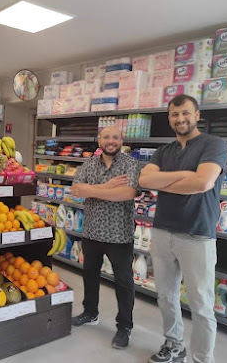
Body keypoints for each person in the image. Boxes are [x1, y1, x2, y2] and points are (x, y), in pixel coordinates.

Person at [139, 94, 227, 363]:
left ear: (197, 115)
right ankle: (174, 344)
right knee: (165, 296)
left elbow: (202, 184)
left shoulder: (214, 145)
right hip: (163, 231)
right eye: (175, 115)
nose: (181, 119)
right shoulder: (164, 151)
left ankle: (202, 358)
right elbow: (144, 179)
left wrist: (164, 182)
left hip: (197, 234)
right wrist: (184, 176)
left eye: (186, 113)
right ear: (169, 119)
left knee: (200, 305)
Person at [70, 126, 140, 349]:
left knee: (124, 282)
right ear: (99, 139)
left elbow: (127, 193)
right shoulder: (89, 164)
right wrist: (106, 187)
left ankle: (124, 326)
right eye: (106, 137)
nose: (111, 141)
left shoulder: (130, 164)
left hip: (120, 234)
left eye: (115, 137)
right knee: (90, 275)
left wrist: (94, 189)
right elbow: (76, 191)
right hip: (92, 232)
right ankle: (90, 313)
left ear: (121, 140)